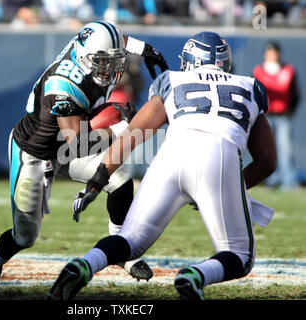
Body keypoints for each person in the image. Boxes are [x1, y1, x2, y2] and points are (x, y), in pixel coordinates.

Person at [47, 31, 277, 300]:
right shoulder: (249, 85)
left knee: (130, 241)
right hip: (220, 153)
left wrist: (98, 179)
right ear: (225, 63)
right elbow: (267, 161)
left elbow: (135, 133)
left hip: (171, 154)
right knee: (239, 255)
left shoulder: (172, 79)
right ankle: (196, 276)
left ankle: (86, 264)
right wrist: (229, 188)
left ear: (189, 60)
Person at [0, 20, 169, 297]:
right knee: (25, 236)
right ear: (85, 58)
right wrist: (121, 128)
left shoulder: (88, 46)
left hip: (70, 138)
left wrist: (145, 48)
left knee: (121, 179)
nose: (110, 69)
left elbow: (115, 38)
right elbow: (77, 144)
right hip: (37, 151)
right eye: (103, 62)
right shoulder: (63, 86)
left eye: (113, 60)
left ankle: (120, 245)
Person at [253, 41, 300, 191]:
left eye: (274, 52)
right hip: (265, 116)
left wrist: (289, 110)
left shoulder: (288, 70)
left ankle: (289, 180)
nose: (272, 55)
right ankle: (271, 180)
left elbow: (295, 93)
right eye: (269, 52)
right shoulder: (258, 71)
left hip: (283, 115)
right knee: (266, 148)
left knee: (285, 148)